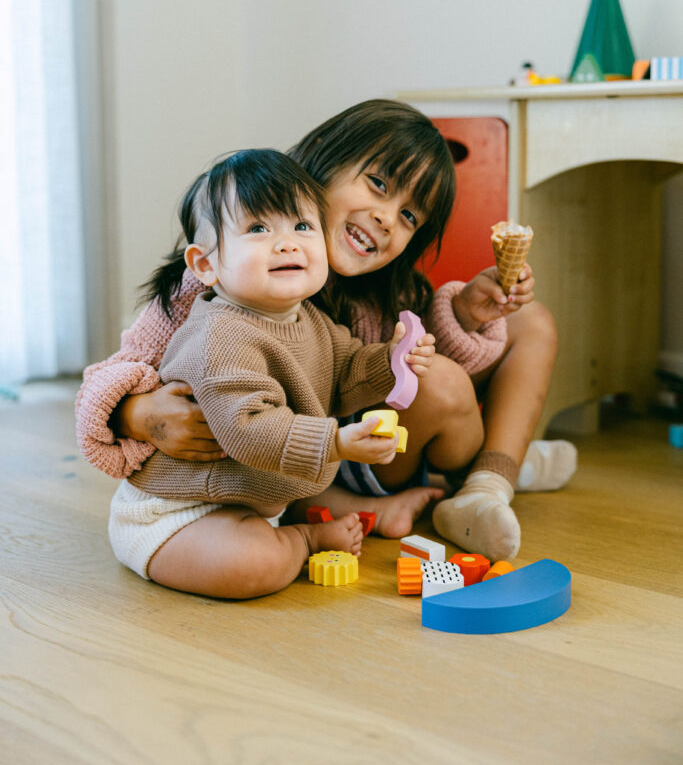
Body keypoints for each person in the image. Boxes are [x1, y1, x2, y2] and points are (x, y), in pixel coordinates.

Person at [77, 99, 575, 562]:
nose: (385, 218)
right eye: (378, 184)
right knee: (440, 381)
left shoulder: (387, 291)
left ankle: (486, 485)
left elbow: (430, 385)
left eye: (407, 217)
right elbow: (106, 380)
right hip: (283, 462)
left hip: (369, 443)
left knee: (526, 319)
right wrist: (139, 414)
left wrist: (467, 316)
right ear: (320, 160)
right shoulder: (220, 276)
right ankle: (490, 470)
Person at [107, 148, 437, 598]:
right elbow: (249, 427)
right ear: (206, 265)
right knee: (254, 565)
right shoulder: (219, 336)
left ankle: (287, 532)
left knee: (254, 540)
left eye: (302, 226)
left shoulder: (310, 321)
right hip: (176, 515)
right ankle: (302, 540)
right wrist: (336, 442)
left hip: (247, 501)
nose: (287, 243)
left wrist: (389, 361)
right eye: (258, 229)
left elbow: (344, 373)